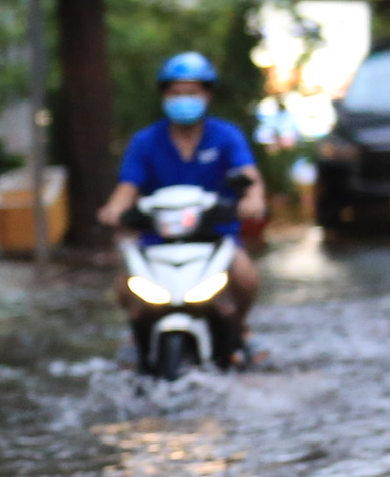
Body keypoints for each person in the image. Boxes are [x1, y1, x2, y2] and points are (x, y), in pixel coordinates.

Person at [97, 51, 266, 351]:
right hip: (158, 239)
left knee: (246, 277)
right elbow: (127, 189)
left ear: (207, 95)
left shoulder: (226, 137)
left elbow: (250, 179)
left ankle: (239, 330)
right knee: (125, 286)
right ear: (164, 97)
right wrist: (113, 210)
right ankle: (139, 333)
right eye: (176, 93)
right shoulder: (146, 142)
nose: (183, 99)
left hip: (215, 237)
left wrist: (253, 201)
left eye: (191, 93)